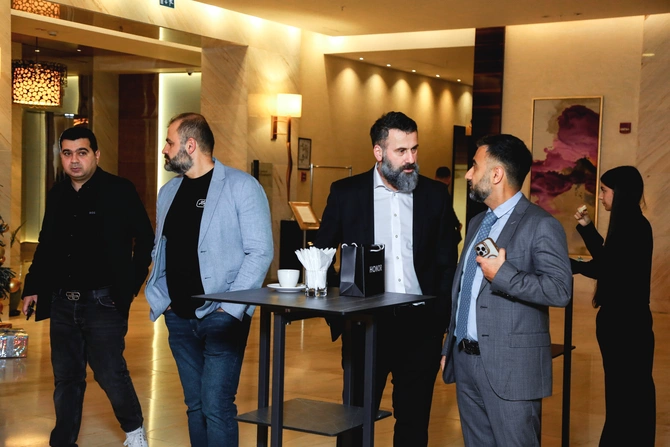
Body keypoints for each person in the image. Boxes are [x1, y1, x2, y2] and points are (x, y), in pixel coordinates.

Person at [314, 111, 458, 447]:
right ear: (378, 152)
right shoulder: (346, 193)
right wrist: (339, 312)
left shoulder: (434, 195)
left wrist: (439, 319)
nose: (411, 160)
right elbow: (321, 254)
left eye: (414, 149)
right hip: (366, 325)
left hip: (420, 326)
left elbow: (446, 263)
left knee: (413, 425)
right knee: (354, 423)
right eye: (401, 151)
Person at [144, 113, 273, 446]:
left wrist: (229, 309)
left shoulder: (242, 186)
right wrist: (165, 302)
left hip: (222, 316)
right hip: (178, 316)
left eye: (169, 142)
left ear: (190, 145)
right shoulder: (168, 192)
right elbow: (162, 249)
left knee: (217, 406)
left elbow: (260, 251)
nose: (164, 149)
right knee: (196, 406)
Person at [21, 126, 154, 447]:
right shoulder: (58, 194)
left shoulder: (119, 190)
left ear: (96, 154)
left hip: (104, 302)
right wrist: (32, 286)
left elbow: (146, 239)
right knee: (66, 378)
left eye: (81, 153)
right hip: (62, 303)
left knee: (109, 372)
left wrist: (128, 286)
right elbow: (46, 244)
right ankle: (63, 441)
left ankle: (134, 432)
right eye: (67, 154)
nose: (74, 161)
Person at [440, 134, 572, 447]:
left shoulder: (540, 224)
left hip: (511, 368)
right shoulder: (477, 223)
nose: (468, 174)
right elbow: (465, 287)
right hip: (466, 361)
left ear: (497, 174)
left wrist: (504, 275)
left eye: (475, 166)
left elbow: (560, 290)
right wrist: (450, 346)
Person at [570, 166, 655, 446]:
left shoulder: (632, 226)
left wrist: (575, 265)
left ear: (619, 193)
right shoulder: (632, 223)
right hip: (629, 322)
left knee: (624, 397)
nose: (601, 196)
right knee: (629, 395)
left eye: (604, 191)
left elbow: (606, 268)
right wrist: (587, 227)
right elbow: (610, 261)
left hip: (624, 325)